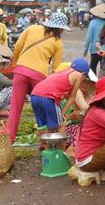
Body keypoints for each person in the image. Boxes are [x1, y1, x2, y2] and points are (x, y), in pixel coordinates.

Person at [7, 12, 68, 143]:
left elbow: (17, 47)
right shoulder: (58, 42)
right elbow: (56, 69)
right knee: (41, 108)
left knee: (15, 108)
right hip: (39, 76)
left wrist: (17, 63)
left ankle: (9, 140)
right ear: (61, 28)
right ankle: (43, 141)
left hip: (20, 71)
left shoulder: (32, 29)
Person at [30, 57, 97, 136]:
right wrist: (63, 115)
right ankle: (60, 144)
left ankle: (46, 143)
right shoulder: (78, 75)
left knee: (50, 126)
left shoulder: (62, 74)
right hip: (49, 98)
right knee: (61, 124)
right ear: (83, 74)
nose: (84, 82)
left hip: (34, 95)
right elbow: (73, 98)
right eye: (85, 79)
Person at [83, 4, 105, 73]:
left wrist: (85, 50)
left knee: (92, 68)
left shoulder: (93, 23)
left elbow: (88, 38)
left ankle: (94, 80)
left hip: (95, 50)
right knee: (104, 69)